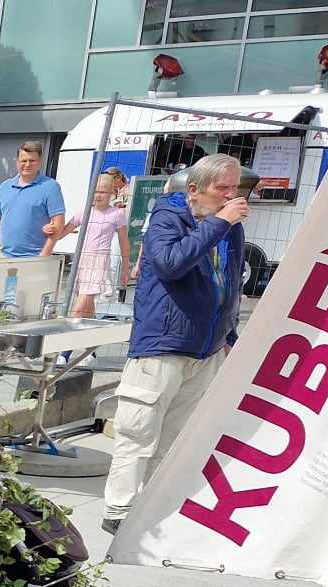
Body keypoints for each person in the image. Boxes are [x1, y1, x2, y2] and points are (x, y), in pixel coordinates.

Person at [103, 153, 247, 535]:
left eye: (235, 188)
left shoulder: (228, 227)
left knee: (175, 438)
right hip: (163, 345)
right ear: (195, 190)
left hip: (206, 350)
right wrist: (219, 222)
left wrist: (229, 335)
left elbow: (229, 284)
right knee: (139, 431)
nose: (232, 196)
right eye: (223, 188)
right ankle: (119, 511)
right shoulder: (168, 218)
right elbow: (170, 263)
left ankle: (152, 509)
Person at [67, 168, 133, 319]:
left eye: (103, 192)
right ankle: (89, 339)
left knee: (78, 309)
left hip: (99, 262)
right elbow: (63, 231)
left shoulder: (117, 214)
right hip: (81, 261)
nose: (98, 195)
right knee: (87, 308)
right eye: (96, 191)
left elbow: (124, 241)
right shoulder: (83, 212)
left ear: (112, 192)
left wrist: (125, 267)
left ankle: (65, 336)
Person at [0, 141, 66, 258]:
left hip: (34, 258)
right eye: (24, 161)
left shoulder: (50, 187)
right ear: (17, 162)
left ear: (40, 162)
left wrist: (45, 254)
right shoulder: (5, 186)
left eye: (32, 161)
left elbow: (58, 223)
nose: (27, 164)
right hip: (4, 257)